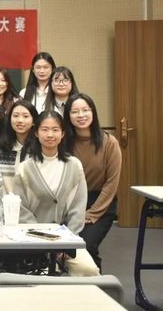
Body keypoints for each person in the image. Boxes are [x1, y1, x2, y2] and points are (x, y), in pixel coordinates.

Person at [13, 110, 99, 276]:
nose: (50, 135)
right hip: (33, 241)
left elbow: (78, 208)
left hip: (67, 240)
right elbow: (21, 209)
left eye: (55, 130)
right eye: (44, 129)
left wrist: (66, 243)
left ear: (63, 133)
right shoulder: (25, 168)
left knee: (89, 269)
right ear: (36, 133)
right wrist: (42, 240)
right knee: (41, 276)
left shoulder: (74, 165)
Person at [64, 94, 122, 271]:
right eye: (75, 111)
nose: (81, 115)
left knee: (86, 245)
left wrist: (92, 214)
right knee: (62, 246)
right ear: (68, 116)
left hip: (100, 204)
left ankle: (95, 283)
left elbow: (111, 183)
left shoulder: (109, 142)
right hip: (71, 203)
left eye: (85, 110)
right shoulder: (63, 142)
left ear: (93, 112)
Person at [0, 100, 38, 195]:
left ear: (34, 121)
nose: (20, 120)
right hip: (5, 201)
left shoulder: (39, 149)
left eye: (25, 116)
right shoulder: (1, 147)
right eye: (15, 116)